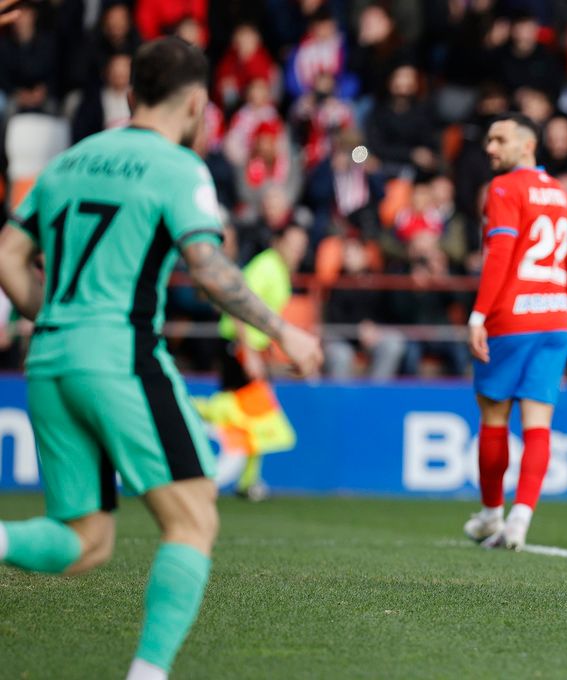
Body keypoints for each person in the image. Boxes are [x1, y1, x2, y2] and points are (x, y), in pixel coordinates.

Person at [0, 37, 322, 680]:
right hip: (118, 357)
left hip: (50, 357)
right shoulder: (177, 167)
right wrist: (284, 330)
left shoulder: (70, 160)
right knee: (194, 518)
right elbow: (208, 268)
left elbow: (7, 253)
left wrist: (59, 312)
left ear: (129, 94)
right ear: (199, 103)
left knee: (85, 542)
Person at [463, 113, 567, 551]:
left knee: (494, 417)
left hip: (510, 320)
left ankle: (492, 514)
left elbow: (500, 255)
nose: (490, 148)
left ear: (527, 145)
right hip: (556, 321)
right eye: (489, 140)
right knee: (538, 424)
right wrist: (554, 300)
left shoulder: (503, 188)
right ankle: (520, 521)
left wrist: (478, 316)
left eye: (500, 140)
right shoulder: (561, 193)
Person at [206, 225, 310, 501]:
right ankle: (190, 407)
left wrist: (267, 352)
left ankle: (249, 481)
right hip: (238, 345)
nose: (298, 252)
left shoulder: (279, 270)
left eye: (302, 246)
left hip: (250, 347)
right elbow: (237, 302)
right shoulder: (266, 267)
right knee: (247, 409)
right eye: (293, 244)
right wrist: (248, 349)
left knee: (254, 414)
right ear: (278, 243)